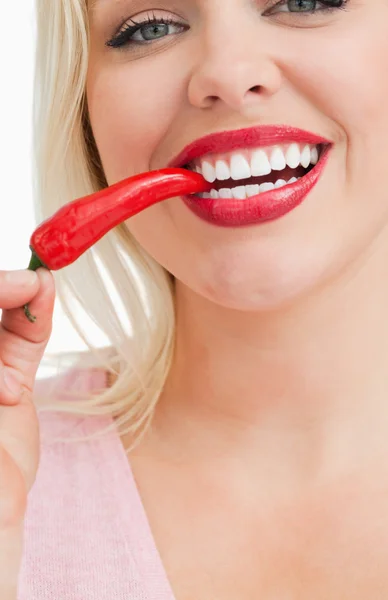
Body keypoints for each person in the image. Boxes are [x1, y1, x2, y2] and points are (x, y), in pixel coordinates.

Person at [1, 0, 388, 597]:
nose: (227, 74)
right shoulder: (14, 478)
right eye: (150, 28)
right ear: (84, 113)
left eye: (306, 1)